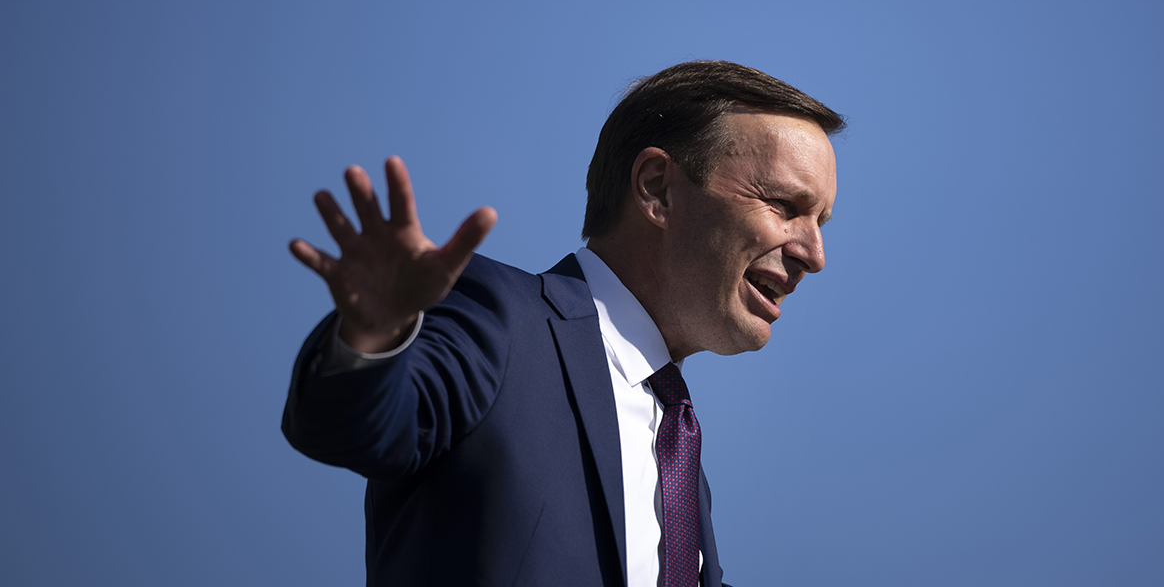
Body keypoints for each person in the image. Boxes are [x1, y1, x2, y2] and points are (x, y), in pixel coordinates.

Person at [282, 60, 843, 587]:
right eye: (785, 206)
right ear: (657, 187)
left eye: (821, 221)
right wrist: (374, 337)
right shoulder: (500, 320)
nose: (815, 254)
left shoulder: (680, 458)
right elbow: (350, 427)